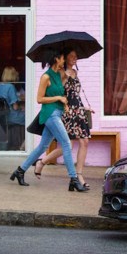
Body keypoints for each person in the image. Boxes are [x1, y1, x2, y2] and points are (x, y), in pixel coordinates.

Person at [9, 49, 87, 192]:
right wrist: (58, 98)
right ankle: (73, 179)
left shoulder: (59, 74)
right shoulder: (46, 77)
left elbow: (65, 90)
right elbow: (40, 99)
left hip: (58, 113)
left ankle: (20, 171)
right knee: (66, 144)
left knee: (42, 147)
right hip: (50, 114)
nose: (64, 61)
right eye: (63, 58)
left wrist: (66, 104)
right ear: (56, 59)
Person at [37, 49, 93, 188]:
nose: (75, 58)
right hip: (67, 111)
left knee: (84, 141)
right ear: (65, 58)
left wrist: (84, 108)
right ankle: (42, 161)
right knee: (68, 145)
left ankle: (79, 175)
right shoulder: (61, 74)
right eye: (72, 56)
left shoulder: (75, 72)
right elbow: (58, 92)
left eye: (76, 56)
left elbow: (76, 95)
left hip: (78, 111)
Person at [0, 66, 26, 150]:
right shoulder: (10, 87)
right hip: (11, 116)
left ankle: (18, 143)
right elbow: (15, 107)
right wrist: (22, 107)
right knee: (29, 116)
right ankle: (24, 144)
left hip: (1, 115)